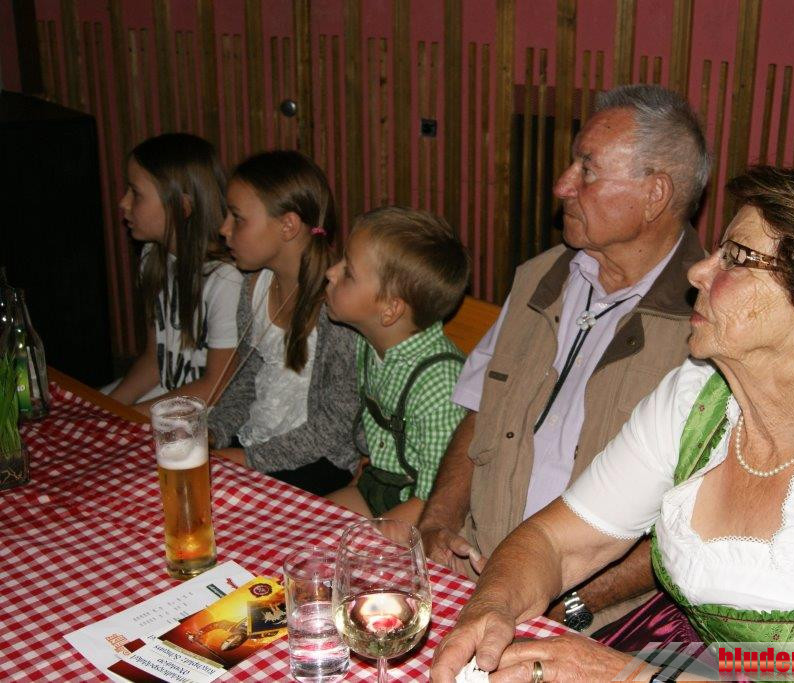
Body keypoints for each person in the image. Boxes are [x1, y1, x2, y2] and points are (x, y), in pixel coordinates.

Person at [431, 167, 794, 682]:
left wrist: (628, 675)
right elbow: (558, 542)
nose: (697, 271)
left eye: (736, 259)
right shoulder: (697, 398)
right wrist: (492, 606)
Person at [417, 83, 709, 632]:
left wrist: (568, 602)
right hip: (475, 578)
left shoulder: (707, 328)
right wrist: (436, 524)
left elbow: (695, 521)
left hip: (598, 621)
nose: (562, 185)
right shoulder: (539, 279)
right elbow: (481, 410)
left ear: (655, 194)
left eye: (587, 169)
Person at [208, 151, 360, 495]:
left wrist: (248, 459)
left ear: (288, 226)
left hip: (319, 459)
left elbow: (335, 428)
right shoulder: (254, 286)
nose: (223, 229)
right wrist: (213, 432)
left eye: (237, 218)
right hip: (257, 438)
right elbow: (246, 382)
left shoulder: (337, 308)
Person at [323, 206, 470, 526]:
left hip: (424, 507)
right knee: (306, 525)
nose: (331, 272)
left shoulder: (439, 384)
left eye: (348, 272)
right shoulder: (367, 344)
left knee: (341, 546)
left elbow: (436, 499)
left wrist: (368, 534)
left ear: (390, 310)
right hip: (380, 484)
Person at [107, 134, 242, 412]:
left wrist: (127, 419)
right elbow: (153, 361)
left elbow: (215, 387)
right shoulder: (152, 257)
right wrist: (107, 409)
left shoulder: (225, 280)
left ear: (182, 207)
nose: (123, 202)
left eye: (136, 193)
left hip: (206, 412)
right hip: (167, 396)